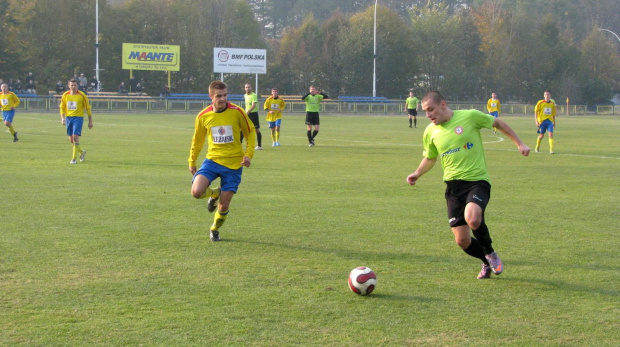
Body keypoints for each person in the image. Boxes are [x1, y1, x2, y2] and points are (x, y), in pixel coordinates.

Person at [406, 91, 530, 279]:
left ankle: (490, 253)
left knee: (472, 218)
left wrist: (519, 143)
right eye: (425, 111)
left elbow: (497, 123)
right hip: (453, 188)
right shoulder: (430, 132)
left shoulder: (470, 116)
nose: (428, 115)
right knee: (462, 241)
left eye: (431, 109)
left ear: (443, 105)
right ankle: (485, 261)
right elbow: (430, 158)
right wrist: (417, 173)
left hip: (477, 181)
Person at [188, 80, 256, 242]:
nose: (223, 99)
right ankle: (214, 193)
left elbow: (250, 133)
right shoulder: (203, 116)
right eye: (219, 96)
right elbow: (197, 140)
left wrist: (248, 154)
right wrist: (192, 160)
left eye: (225, 95)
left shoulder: (237, 112)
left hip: (234, 164)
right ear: (211, 96)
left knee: (224, 205)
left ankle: (214, 228)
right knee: (196, 192)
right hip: (212, 160)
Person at [60, 79, 93, 164]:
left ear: (77, 86)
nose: (73, 87)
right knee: (71, 139)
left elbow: (88, 108)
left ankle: (74, 159)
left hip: (78, 118)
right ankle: (81, 152)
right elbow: (62, 106)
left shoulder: (82, 95)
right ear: (69, 86)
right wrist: (62, 118)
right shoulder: (65, 95)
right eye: (72, 85)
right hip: (68, 118)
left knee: (75, 137)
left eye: (75, 85)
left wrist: (90, 121)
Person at [243, 83, 262, 150]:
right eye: (246, 87)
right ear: (244, 88)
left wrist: (248, 111)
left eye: (249, 87)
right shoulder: (245, 95)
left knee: (256, 130)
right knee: (244, 128)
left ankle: (259, 146)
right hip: (247, 114)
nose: (247, 89)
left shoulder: (253, 95)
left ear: (251, 88)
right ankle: (242, 144)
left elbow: (254, 105)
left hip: (253, 114)